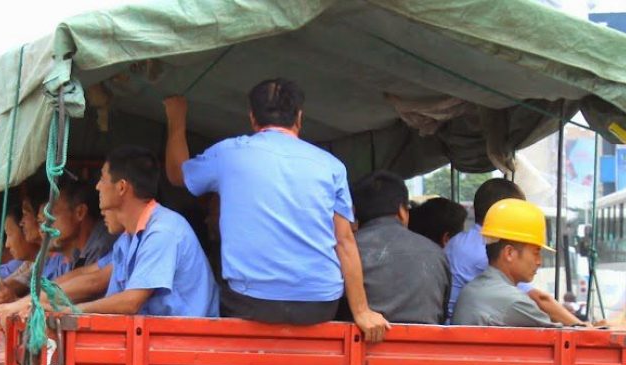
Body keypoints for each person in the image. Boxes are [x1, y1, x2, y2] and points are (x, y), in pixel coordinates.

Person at [163, 79, 389, 339]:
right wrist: (361, 311)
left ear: (252, 118)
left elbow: (176, 174)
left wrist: (176, 118)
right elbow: (345, 240)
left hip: (250, 304)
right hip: (319, 306)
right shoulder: (331, 166)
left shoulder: (229, 153)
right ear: (299, 118)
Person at [75, 145, 218, 317]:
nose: (97, 186)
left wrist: (73, 310)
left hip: (188, 340)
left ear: (121, 187)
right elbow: (114, 298)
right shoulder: (127, 238)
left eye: (103, 179)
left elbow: (131, 302)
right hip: (156, 339)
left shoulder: (163, 230)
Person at [444, 179, 579, 325]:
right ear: (509, 253)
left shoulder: (458, 242)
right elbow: (539, 299)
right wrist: (585, 327)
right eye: (535, 252)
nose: (539, 261)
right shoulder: (510, 297)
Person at [346, 171, 450, 325]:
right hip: (423, 346)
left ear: (354, 212)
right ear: (402, 211)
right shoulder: (436, 253)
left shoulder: (345, 253)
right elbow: (441, 313)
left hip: (356, 346)